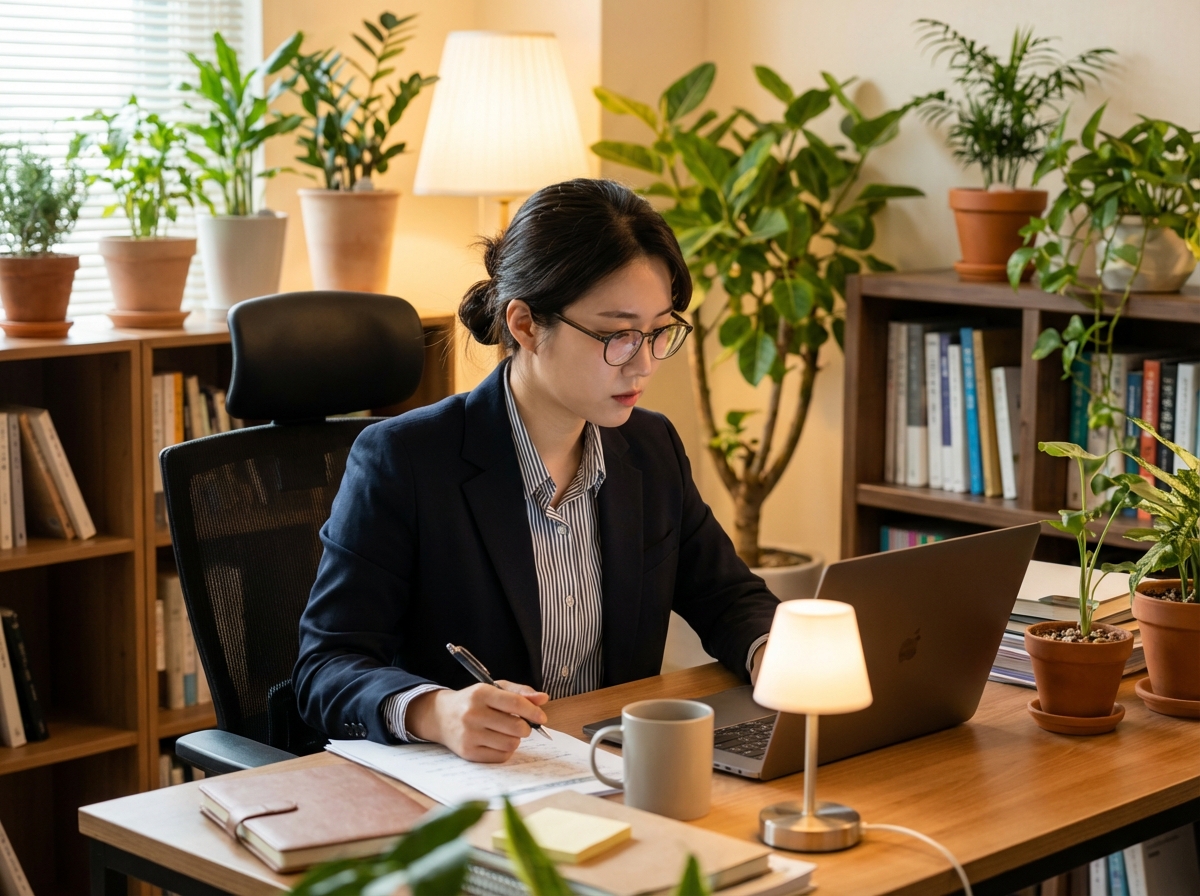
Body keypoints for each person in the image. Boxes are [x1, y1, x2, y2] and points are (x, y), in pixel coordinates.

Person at [295, 178, 778, 762]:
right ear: (524, 325)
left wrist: (771, 651)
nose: (645, 363)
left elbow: (726, 596)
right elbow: (326, 667)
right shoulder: (404, 460)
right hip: (471, 791)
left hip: (610, 770)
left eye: (656, 331)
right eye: (618, 334)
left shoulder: (650, 449)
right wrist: (438, 711)